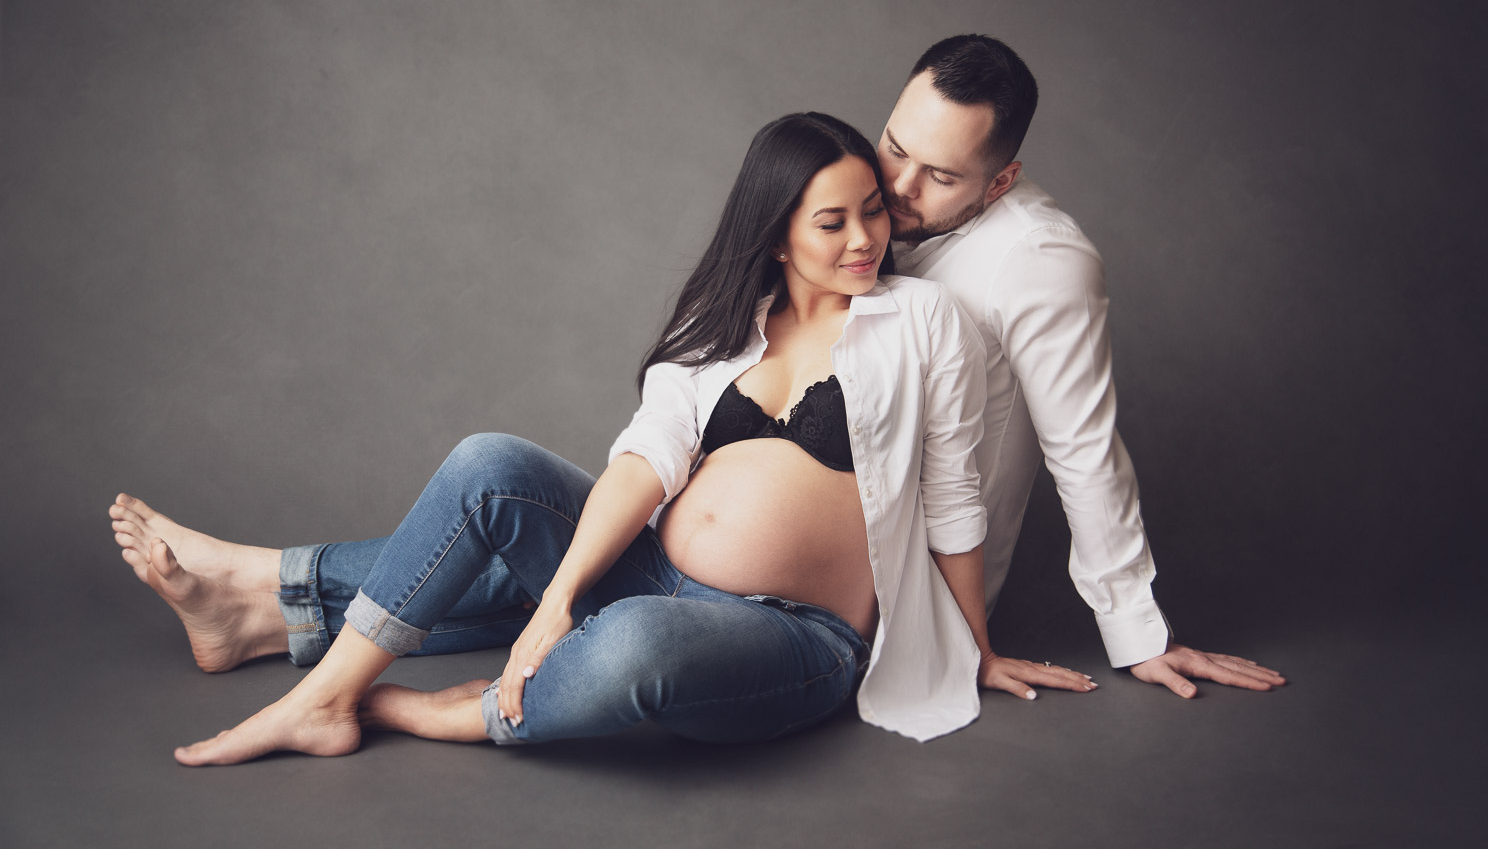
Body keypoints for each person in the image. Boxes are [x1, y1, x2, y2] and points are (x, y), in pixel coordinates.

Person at [110, 111, 1096, 766]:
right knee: (486, 464)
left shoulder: (925, 324)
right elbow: (646, 460)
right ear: (777, 230)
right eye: (833, 221)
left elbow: (959, 495)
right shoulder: (722, 328)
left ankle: (432, 705)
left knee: (631, 648)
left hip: (795, 633)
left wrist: (976, 645)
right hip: (647, 564)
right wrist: (557, 600)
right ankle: (326, 695)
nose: (865, 238)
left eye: (874, 212)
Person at [875, 34, 1284, 698]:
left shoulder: (1042, 261)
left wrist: (1138, 633)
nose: (899, 186)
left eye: (942, 177)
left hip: (909, 592)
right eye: (895, 146)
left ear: (1001, 180)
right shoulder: (866, 197)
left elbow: (1084, 451)